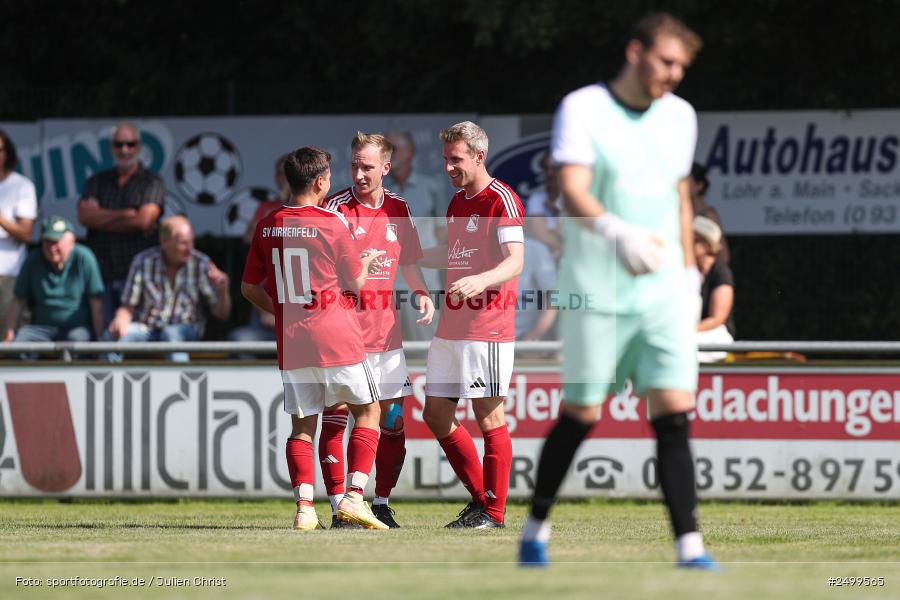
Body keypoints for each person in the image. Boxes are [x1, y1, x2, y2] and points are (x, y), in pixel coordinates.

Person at [519, 13, 718, 569]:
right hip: (598, 289)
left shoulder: (680, 116)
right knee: (582, 412)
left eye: (683, 66)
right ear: (636, 52)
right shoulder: (584, 107)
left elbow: (682, 195)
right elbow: (573, 189)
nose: (675, 75)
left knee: (673, 412)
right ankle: (535, 529)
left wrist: (686, 275)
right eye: (666, 61)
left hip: (663, 293)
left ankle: (691, 549)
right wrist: (616, 231)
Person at [241, 146, 388, 530]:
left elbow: (248, 287)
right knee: (369, 411)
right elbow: (355, 283)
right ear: (322, 182)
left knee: (302, 425)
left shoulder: (269, 224)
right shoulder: (332, 221)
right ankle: (355, 497)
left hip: (294, 339)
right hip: (336, 333)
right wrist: (367, 264)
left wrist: (285, 311)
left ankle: (304, 509)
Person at [318, 132, 435, 529]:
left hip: (385, 337)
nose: (359, 173)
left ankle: (379, 501)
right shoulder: (335, 209)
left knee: (395, 420)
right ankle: (340, 506)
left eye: (367, 166)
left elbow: (410, 261)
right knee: (335, 417)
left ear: (386, 167)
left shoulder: (399, 209)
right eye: (354, 165)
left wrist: (422, 293)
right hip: (343, 334)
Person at [418, 121, 524, 529]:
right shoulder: (458, 201)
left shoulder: (503, 199)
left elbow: (515, 259)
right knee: (435, 413)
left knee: (489, 416)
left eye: (455, 159)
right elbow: (453, 252)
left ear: (479, 156)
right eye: (445, 159)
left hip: (488, 324)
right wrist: (404, 253)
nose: (448, 167)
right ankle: (482, 500)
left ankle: (493, 514)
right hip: (451, 326)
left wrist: (480, 280)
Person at [107, 216, 230, 362]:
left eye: (192, 242)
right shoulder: (142, 262)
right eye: (183, 243)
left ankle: (181, 382)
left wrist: (222, 291)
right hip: (148, 329)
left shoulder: (201, 263)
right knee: (111, 337)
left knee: (171, 334)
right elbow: (128, 306)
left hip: (186, 330)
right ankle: (110, 381)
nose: (189, 249)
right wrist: (120, 320)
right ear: (164, 242)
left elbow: (221, 314)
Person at [77, 122, 165, 325]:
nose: (125, 150)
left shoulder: (152, 181)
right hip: (102, 274)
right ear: (111, 147)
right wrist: (127, 213)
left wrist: (100, 216)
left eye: (130, 144)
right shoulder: (97, 181)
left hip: (139, 278)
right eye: (119, 144)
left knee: (135, 337)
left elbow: (144, 221)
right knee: (105, 337)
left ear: (139, 147)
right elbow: (84, 218)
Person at [385, 131, 448, 341]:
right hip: (387, 282)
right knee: (388, 349)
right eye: (386, 149)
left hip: (423, 281)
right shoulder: (376, 189)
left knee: (426, 346)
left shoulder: (431, 187)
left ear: (410, 152)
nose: (390, 154)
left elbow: (443, 236)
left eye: (396, 148)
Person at [3, 216, 103, 348]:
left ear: (72, 241)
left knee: (78, 343)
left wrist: (100, 340)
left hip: (76, 328)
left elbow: (96, 302)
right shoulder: (33, 260)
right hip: (40, 328)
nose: (52, 248)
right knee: (20, 344)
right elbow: (18, 300)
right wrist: (10, 334)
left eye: (57, 242)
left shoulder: (84, 258)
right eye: (48, 242)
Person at [229, 154, 291, 355]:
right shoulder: (267, 208)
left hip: (306, 313)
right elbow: (249, 239)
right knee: (241, 340)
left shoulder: (319, 211)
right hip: (266, 306)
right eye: (281, 174)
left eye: (290, 174)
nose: (285, 179)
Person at [0, 129, 38, 335]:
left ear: (8, 153)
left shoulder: (21, 186)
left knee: (7, 335)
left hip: (9, 274)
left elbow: (26, 234)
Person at [694, 216, 735, 362]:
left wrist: (685, 332)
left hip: (713, 335)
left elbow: (717, 319)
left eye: (694, 240)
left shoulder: (720, 272)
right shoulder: (684, 270)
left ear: (706, 245)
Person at [515, 239, 559, 342]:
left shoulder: (535, 249)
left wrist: (533, 337)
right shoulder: (475, 249)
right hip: (483, 338)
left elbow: (554, 297)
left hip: (524, 338)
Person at [524, 152, 563, 259]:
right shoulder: (536, 199)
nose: (550, 173)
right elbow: (540, 234)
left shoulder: (577, 198)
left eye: (554, 168)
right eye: (546, 168)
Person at [689, 162, 730, 263]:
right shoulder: (679, 212)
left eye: (688, 182)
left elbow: (723, 255)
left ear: (699, 186)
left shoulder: (708, 214)